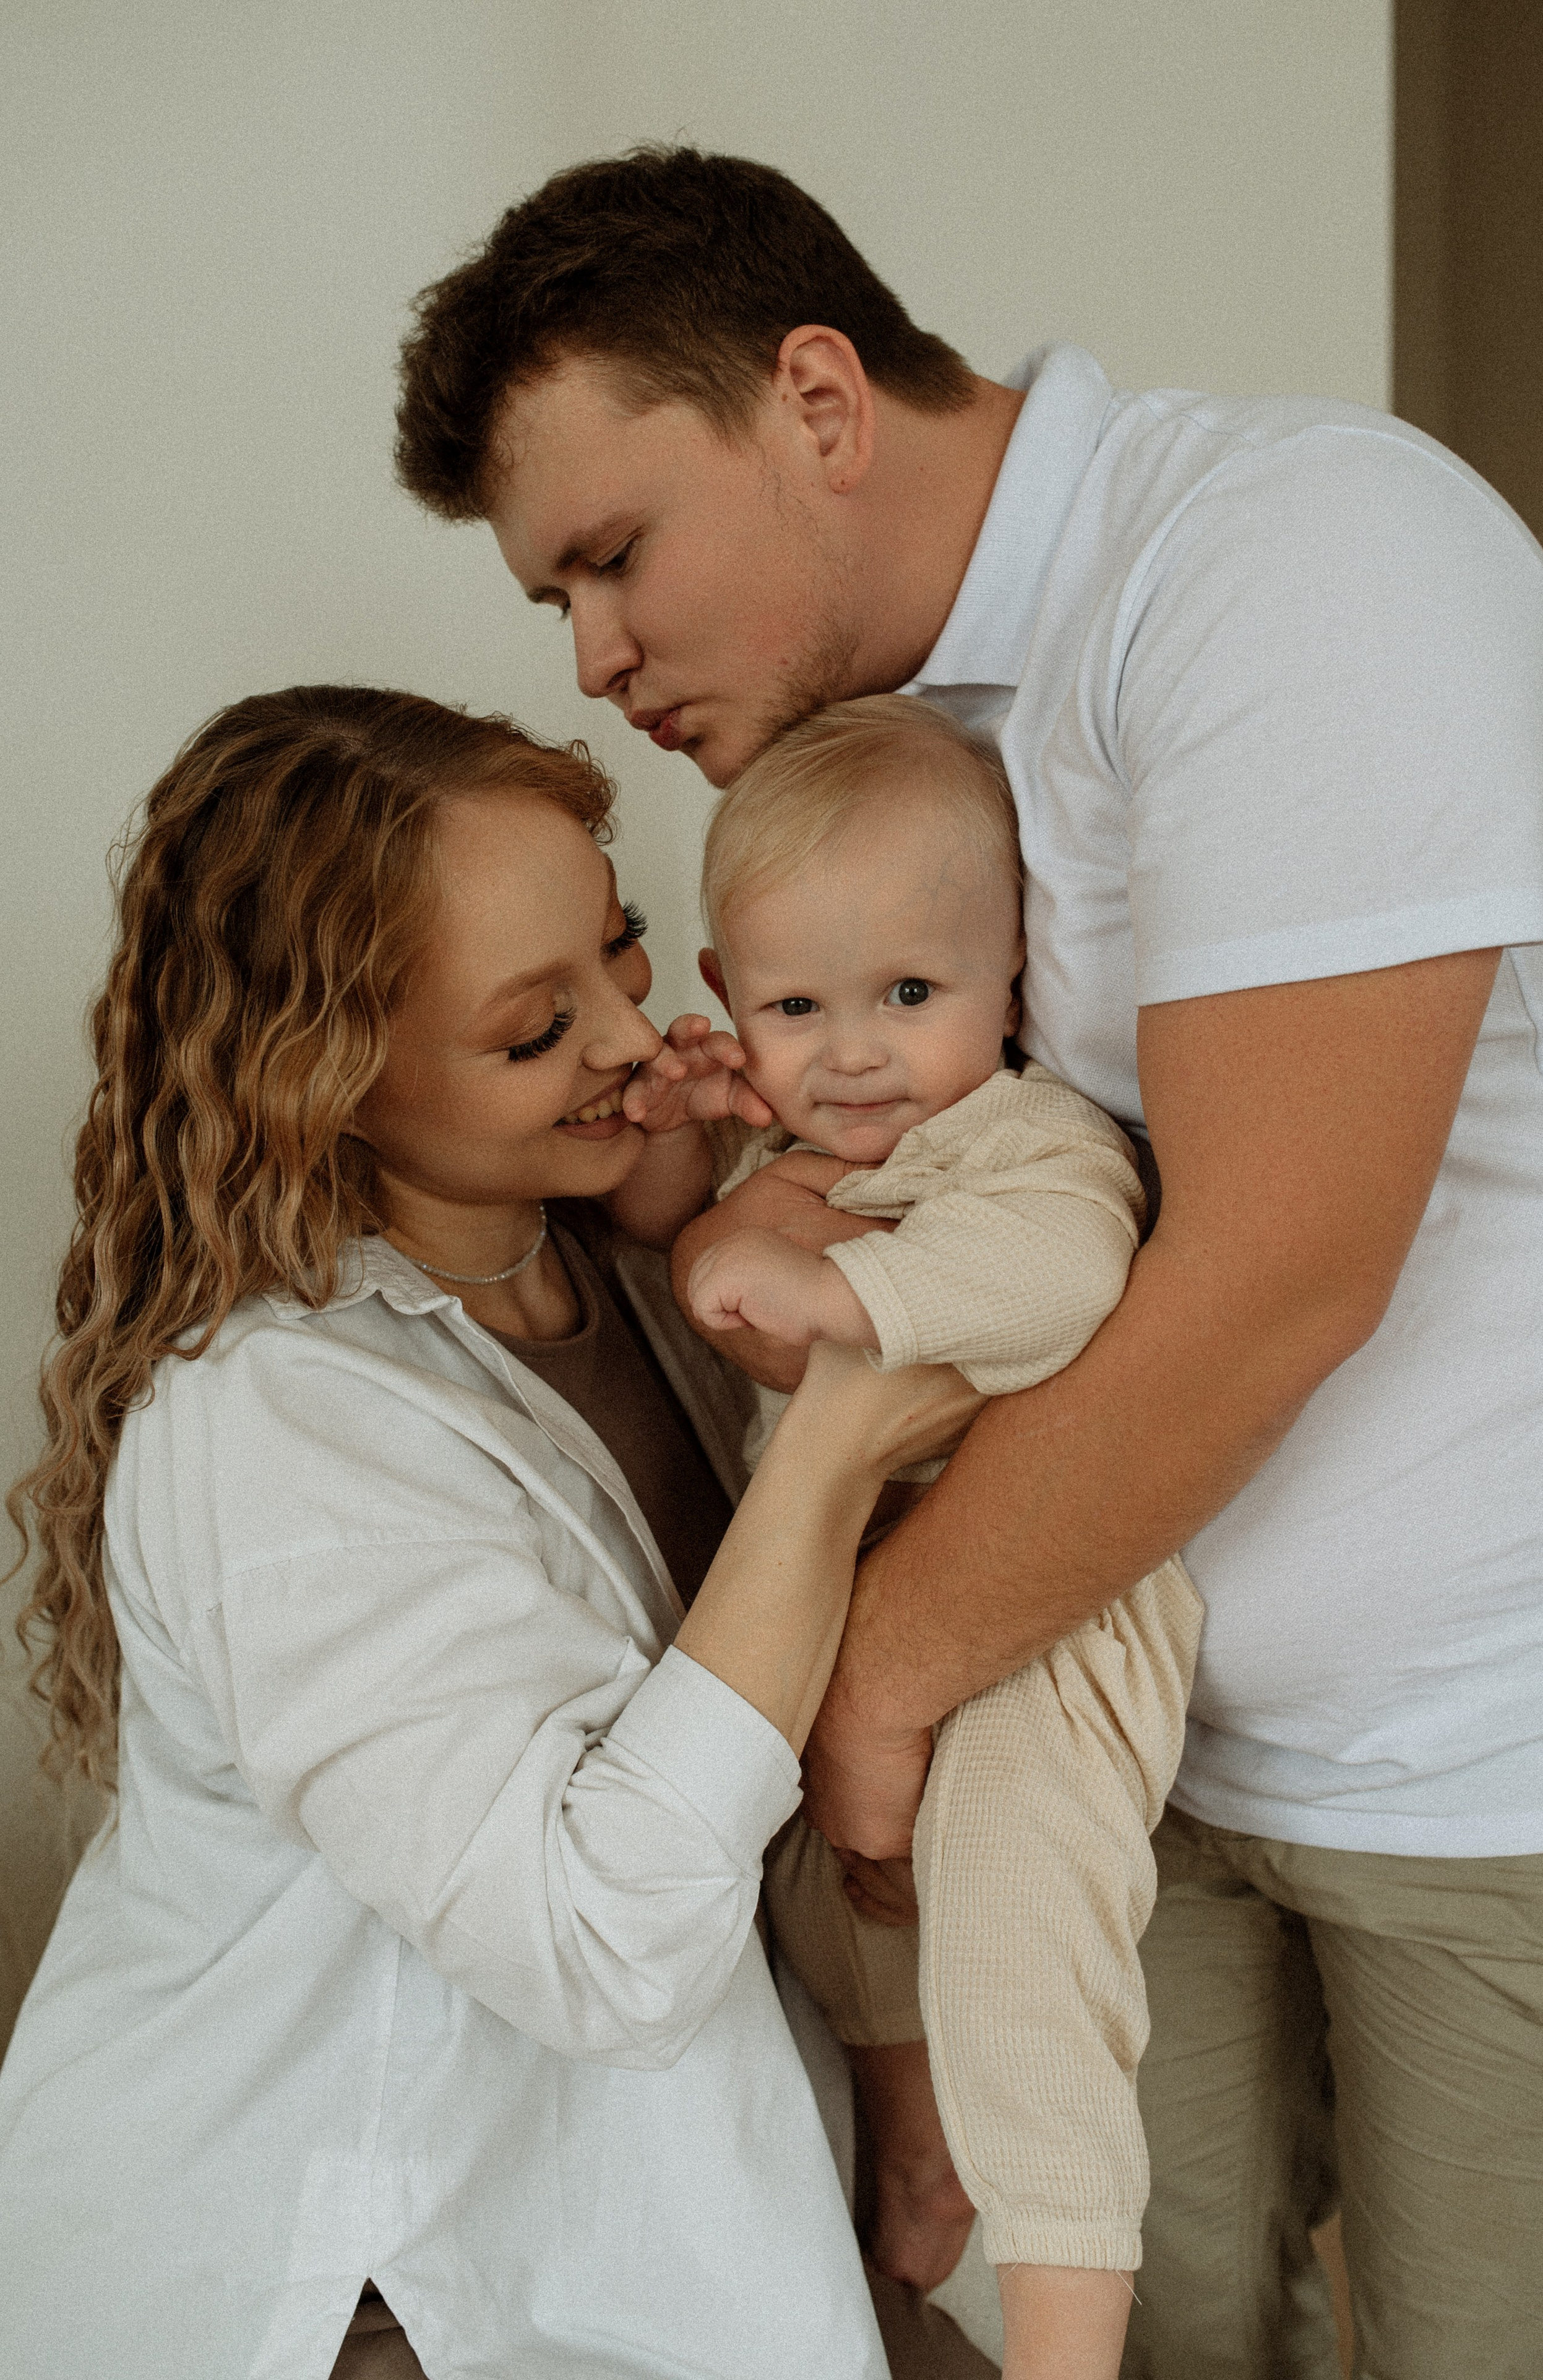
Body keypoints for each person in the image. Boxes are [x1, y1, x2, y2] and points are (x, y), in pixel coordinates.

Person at [392, 146, 1543, 2379]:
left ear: (818, 400)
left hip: (1499, 1773)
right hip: (1138, 1745)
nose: (594, 656)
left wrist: (880, 1680)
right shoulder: (906, 747)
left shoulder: (1289, 566)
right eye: (556, 596)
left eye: (615, 555)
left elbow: (1280, 1275)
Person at [0, 685, 986, 2380]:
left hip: (659, 2219)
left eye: (619, 950)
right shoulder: (276, 1427)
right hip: (385, 2296)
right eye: (536, 1030)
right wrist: (833, 1450)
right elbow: (602, 1946)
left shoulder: (610, 1266)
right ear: (325, 1080)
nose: (629, 1038)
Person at [612, 689, 1201, 2380]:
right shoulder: (785, 1139)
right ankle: (919, 2151)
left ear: (1012, 975)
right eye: (797, 1007)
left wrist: (844, 1292)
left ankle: (1065, 2338)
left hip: (1045, 1622)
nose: (856, 1054)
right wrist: (678, 1144)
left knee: (1018, 1945)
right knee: (825, 1899)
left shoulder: (1027, 1135)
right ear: (729, 994)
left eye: (912, 997)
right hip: (856, 1606)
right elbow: (674, 1238)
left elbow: (1066, 1272)